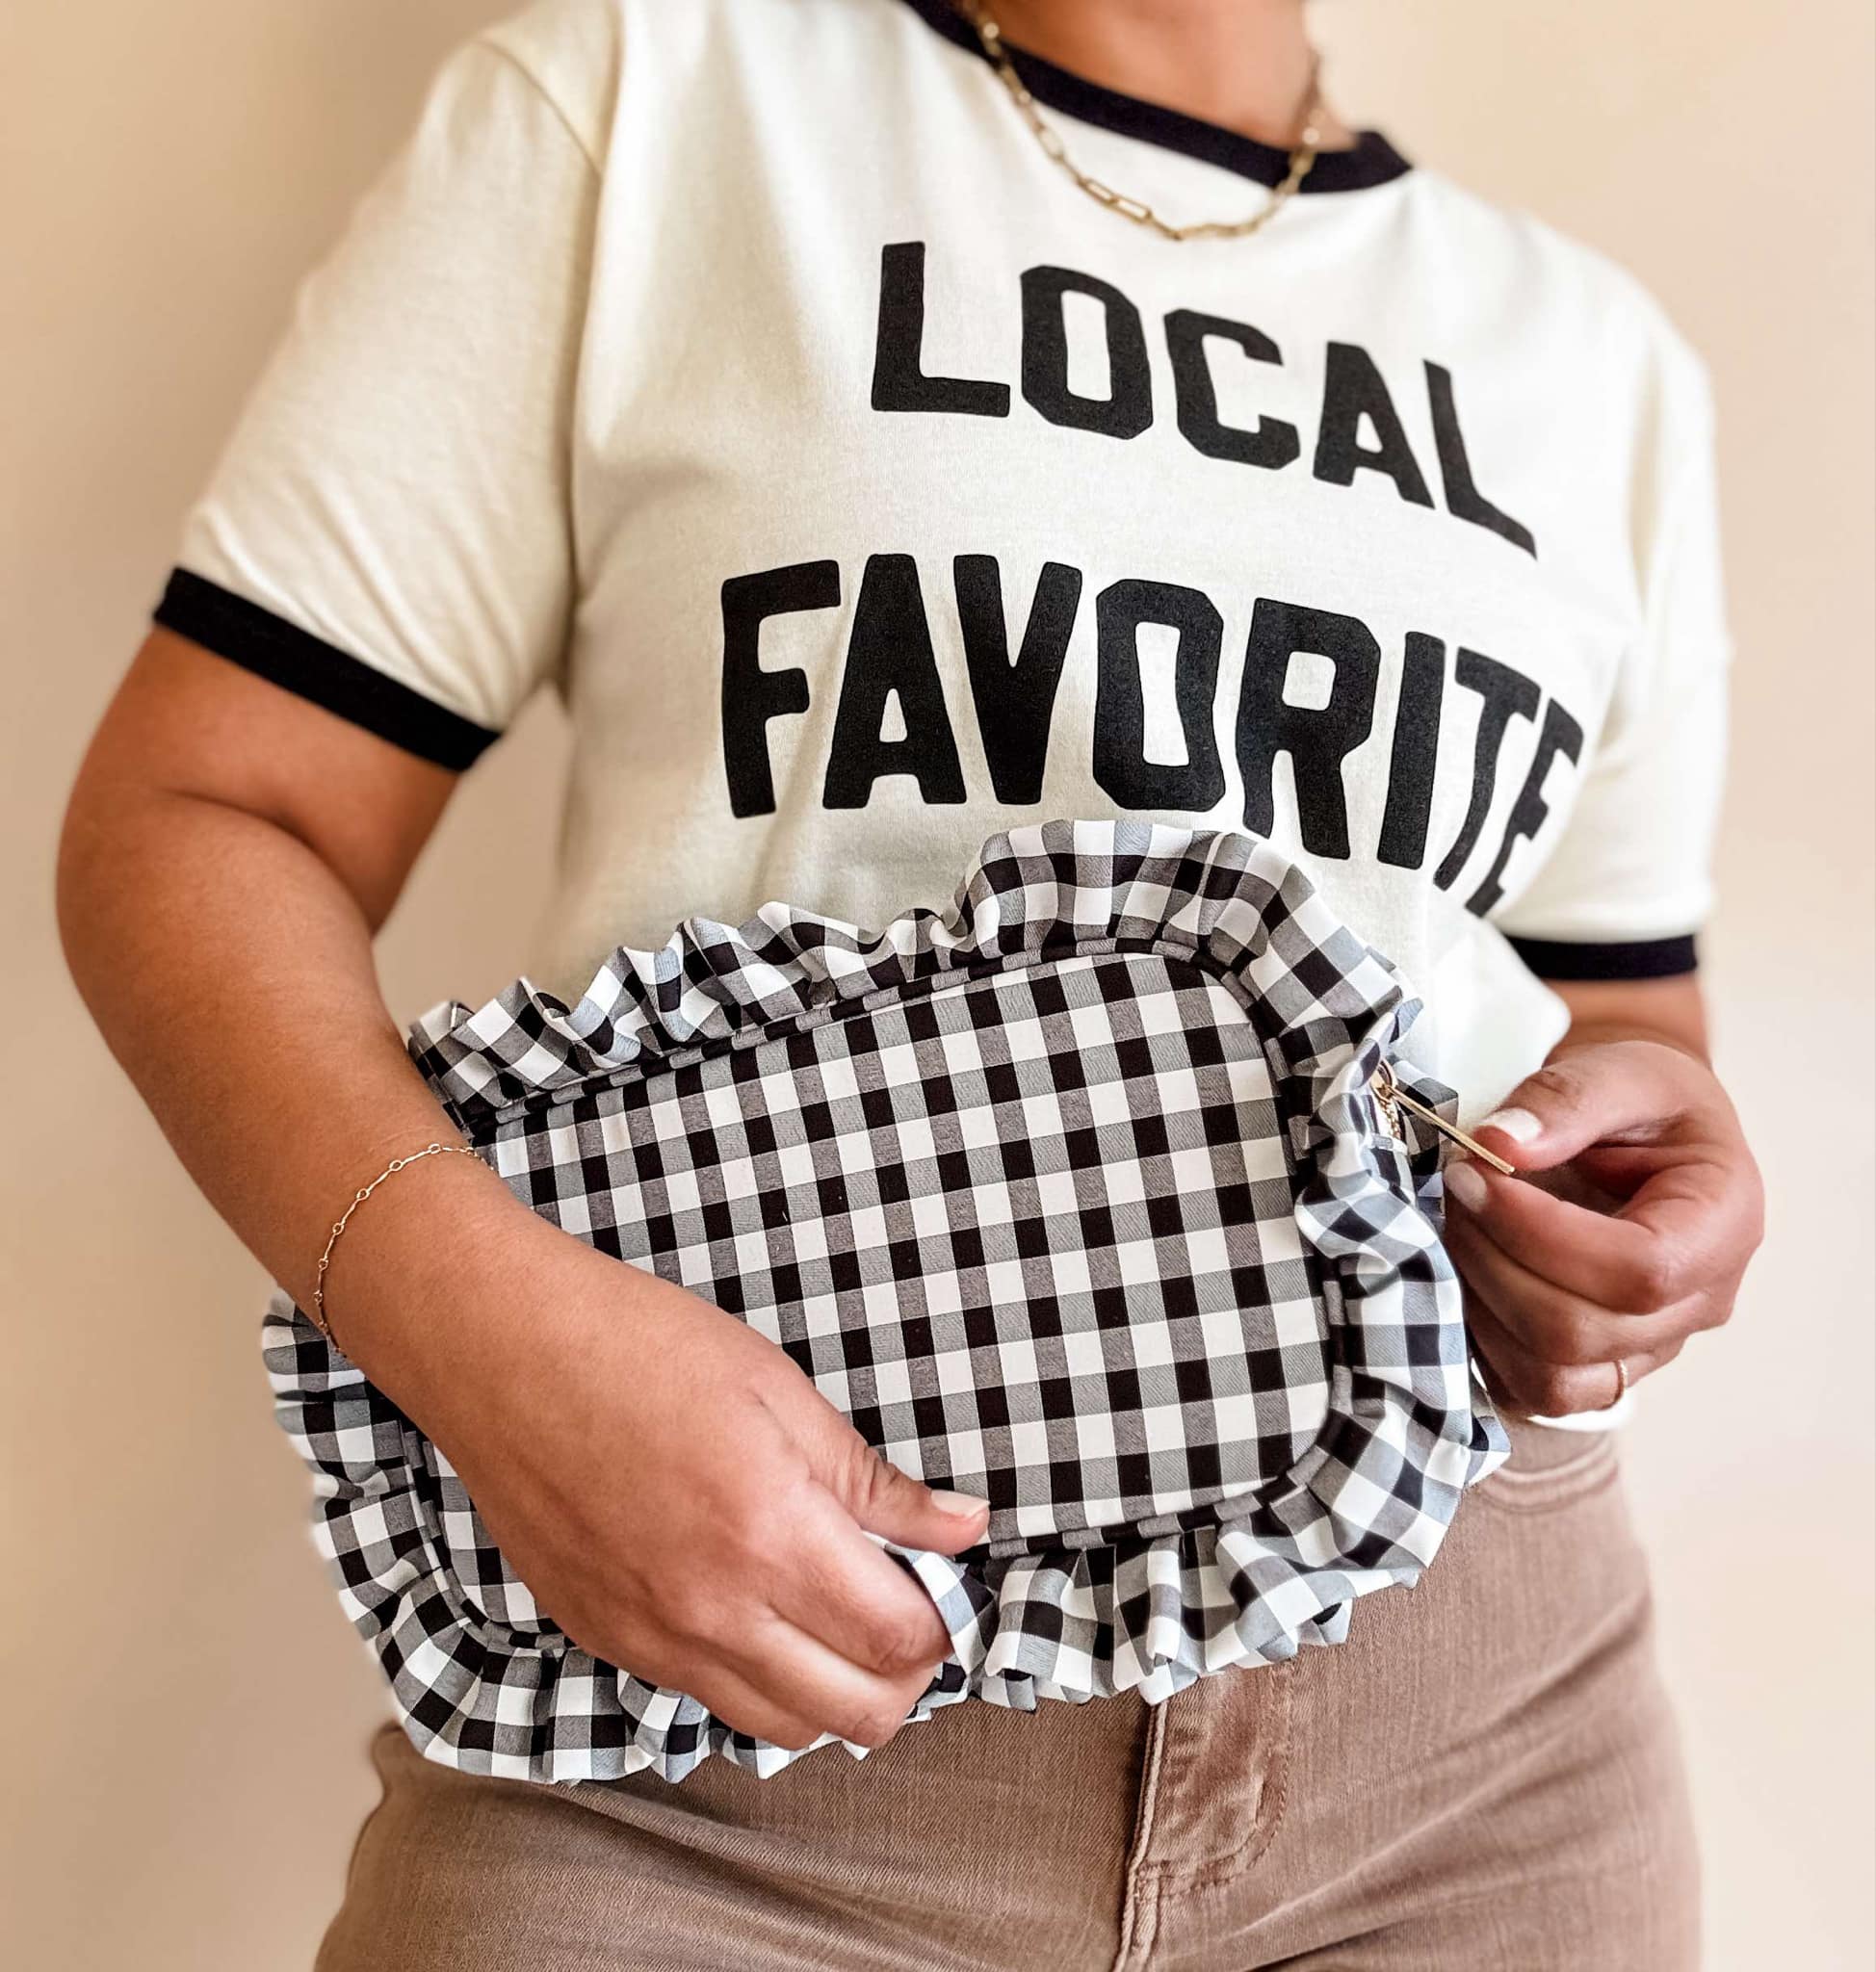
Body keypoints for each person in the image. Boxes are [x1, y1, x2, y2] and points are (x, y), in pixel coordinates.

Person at [57, 0, 1763, 1964]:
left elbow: (1623, 1024)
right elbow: (204, 814)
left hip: (1470, 1764)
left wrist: (1652, 1195)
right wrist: (495, 1351)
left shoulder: (1595, 364)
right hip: (721, 1719)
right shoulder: (656, 113)